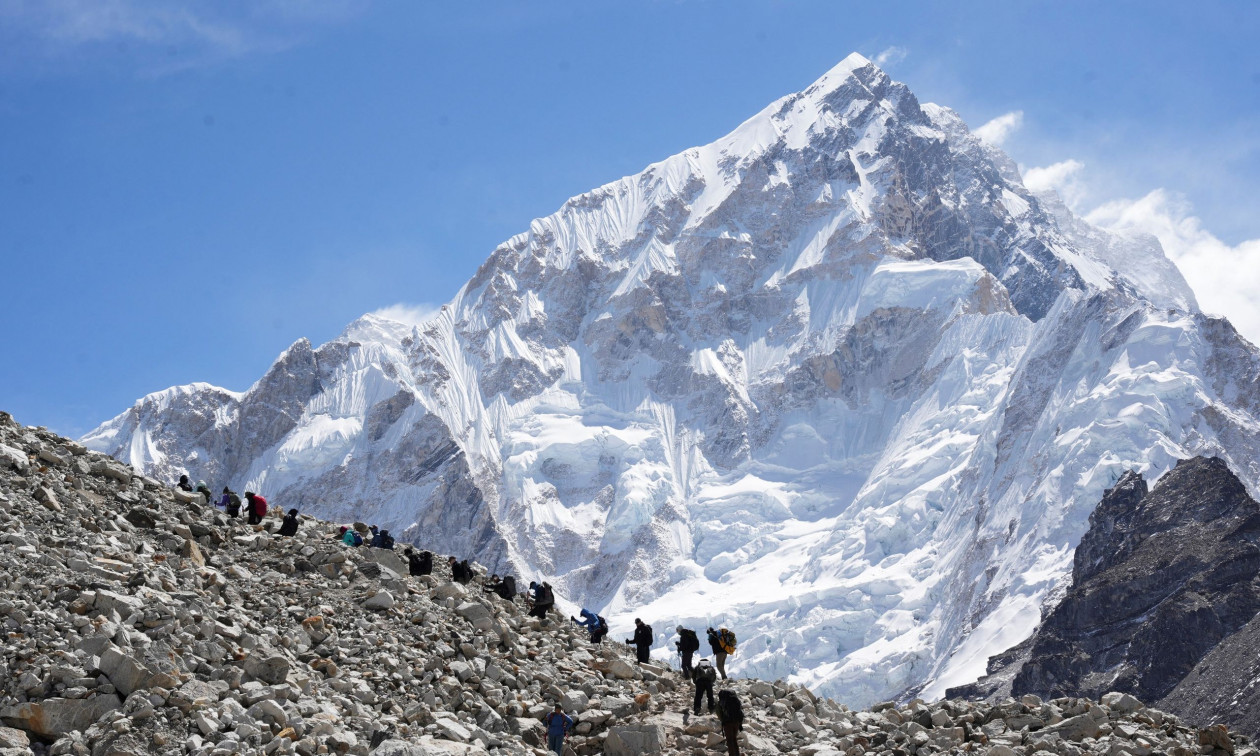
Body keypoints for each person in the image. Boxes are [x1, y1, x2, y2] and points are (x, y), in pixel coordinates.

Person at [717, 689, 744, 756]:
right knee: (734, 739)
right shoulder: (736, 700)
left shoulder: (721, 702)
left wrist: (723, 720)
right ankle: (737, 754)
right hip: (737, 722)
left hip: (728, 722)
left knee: (729, 740)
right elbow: (741, 712)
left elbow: (719, 713)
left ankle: (732, 754)